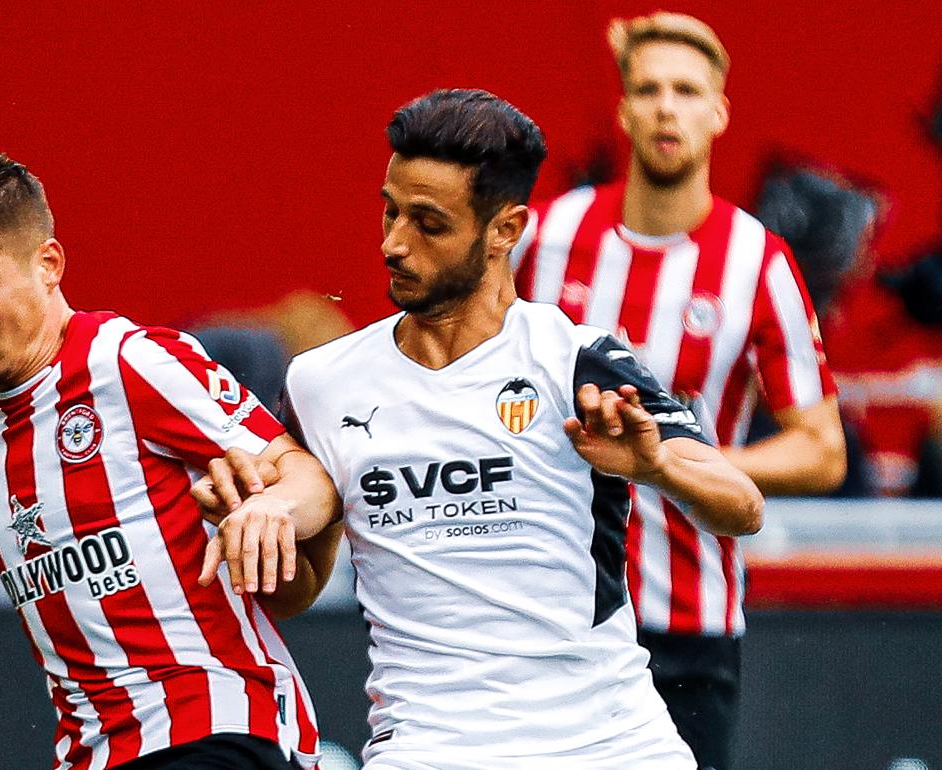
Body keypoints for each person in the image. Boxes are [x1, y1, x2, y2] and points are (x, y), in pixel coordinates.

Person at [195, 89, 764, 770]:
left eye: (429, 224)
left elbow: (742, 507)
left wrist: (655, 467)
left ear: (504, 230)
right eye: (390, 211)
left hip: (610, 746)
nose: (394, 244)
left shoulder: (577, 358)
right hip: (429, 750)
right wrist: (258, 530)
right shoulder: (323, 382)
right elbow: (297, 592)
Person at [0, 148, 342, 770]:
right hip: (92, 753)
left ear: (48, 264)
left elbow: (309, 476)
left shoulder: (131, 364)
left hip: (212, 728)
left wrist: (271, 509)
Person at [510, 13, 846, 769]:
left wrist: (678, 459)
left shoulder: (758, 263)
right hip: (548, 615)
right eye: (649, 89)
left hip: (688, 623)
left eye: (688, 91)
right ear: (624, 110)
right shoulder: (548, 234)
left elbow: (822, 452)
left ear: (719, 112)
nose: (668, 107)